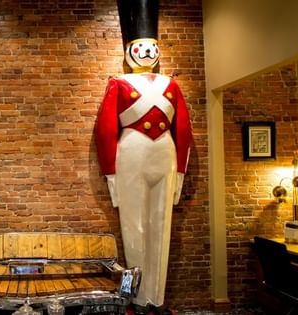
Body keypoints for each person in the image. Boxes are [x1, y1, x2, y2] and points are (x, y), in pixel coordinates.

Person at [94, 0, 192, 313]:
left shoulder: (171, 85)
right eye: (141, 46)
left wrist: (181, 173)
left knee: (161, 226)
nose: (147, 52)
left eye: (152, 46)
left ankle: (157, 297)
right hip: (132, 152)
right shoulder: (118, 84)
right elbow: (106, 130)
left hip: (165, 153)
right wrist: (110, 172)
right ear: (129, 50)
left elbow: (184, 129)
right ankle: (136, 297)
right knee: (133, 225)